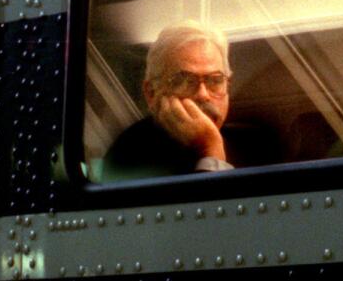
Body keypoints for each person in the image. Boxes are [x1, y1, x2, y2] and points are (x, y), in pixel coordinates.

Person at [101, 21, 239, 180]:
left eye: (215, 81)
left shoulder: (253, 144)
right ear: (151, 93)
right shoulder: (129, 152)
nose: (203, 95)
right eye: (184, 81)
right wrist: (210, 151)